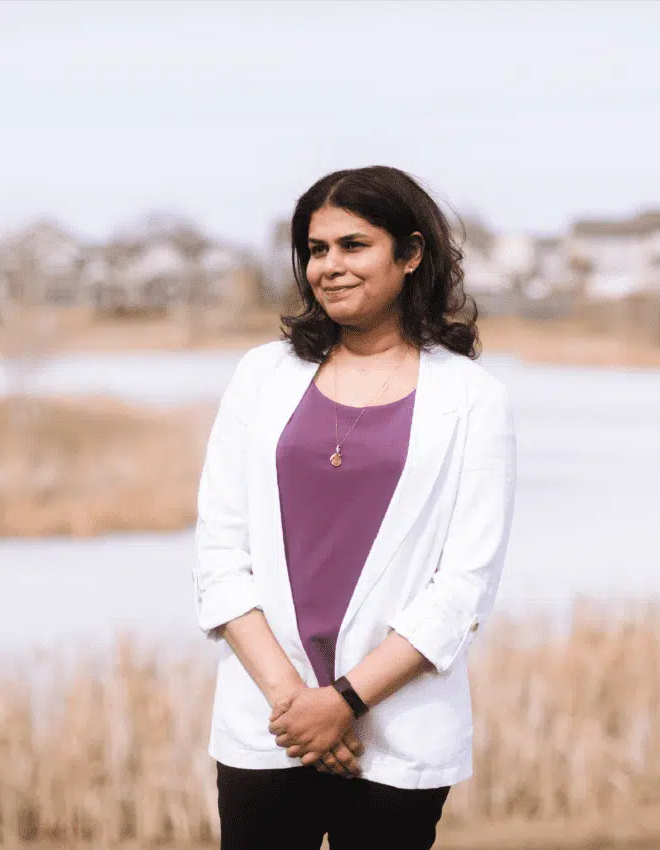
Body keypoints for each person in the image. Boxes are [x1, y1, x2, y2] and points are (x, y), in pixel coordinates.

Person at [193, 165, 517, 850]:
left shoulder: (473, 399)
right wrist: (297, 705)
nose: (329, 266)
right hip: (269, 718)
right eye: (316, 249)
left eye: (353, 245)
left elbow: (463, 587)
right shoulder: (261, 374)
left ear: (411, 253)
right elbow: (220, 551)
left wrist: (341, 704)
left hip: (395, 728)